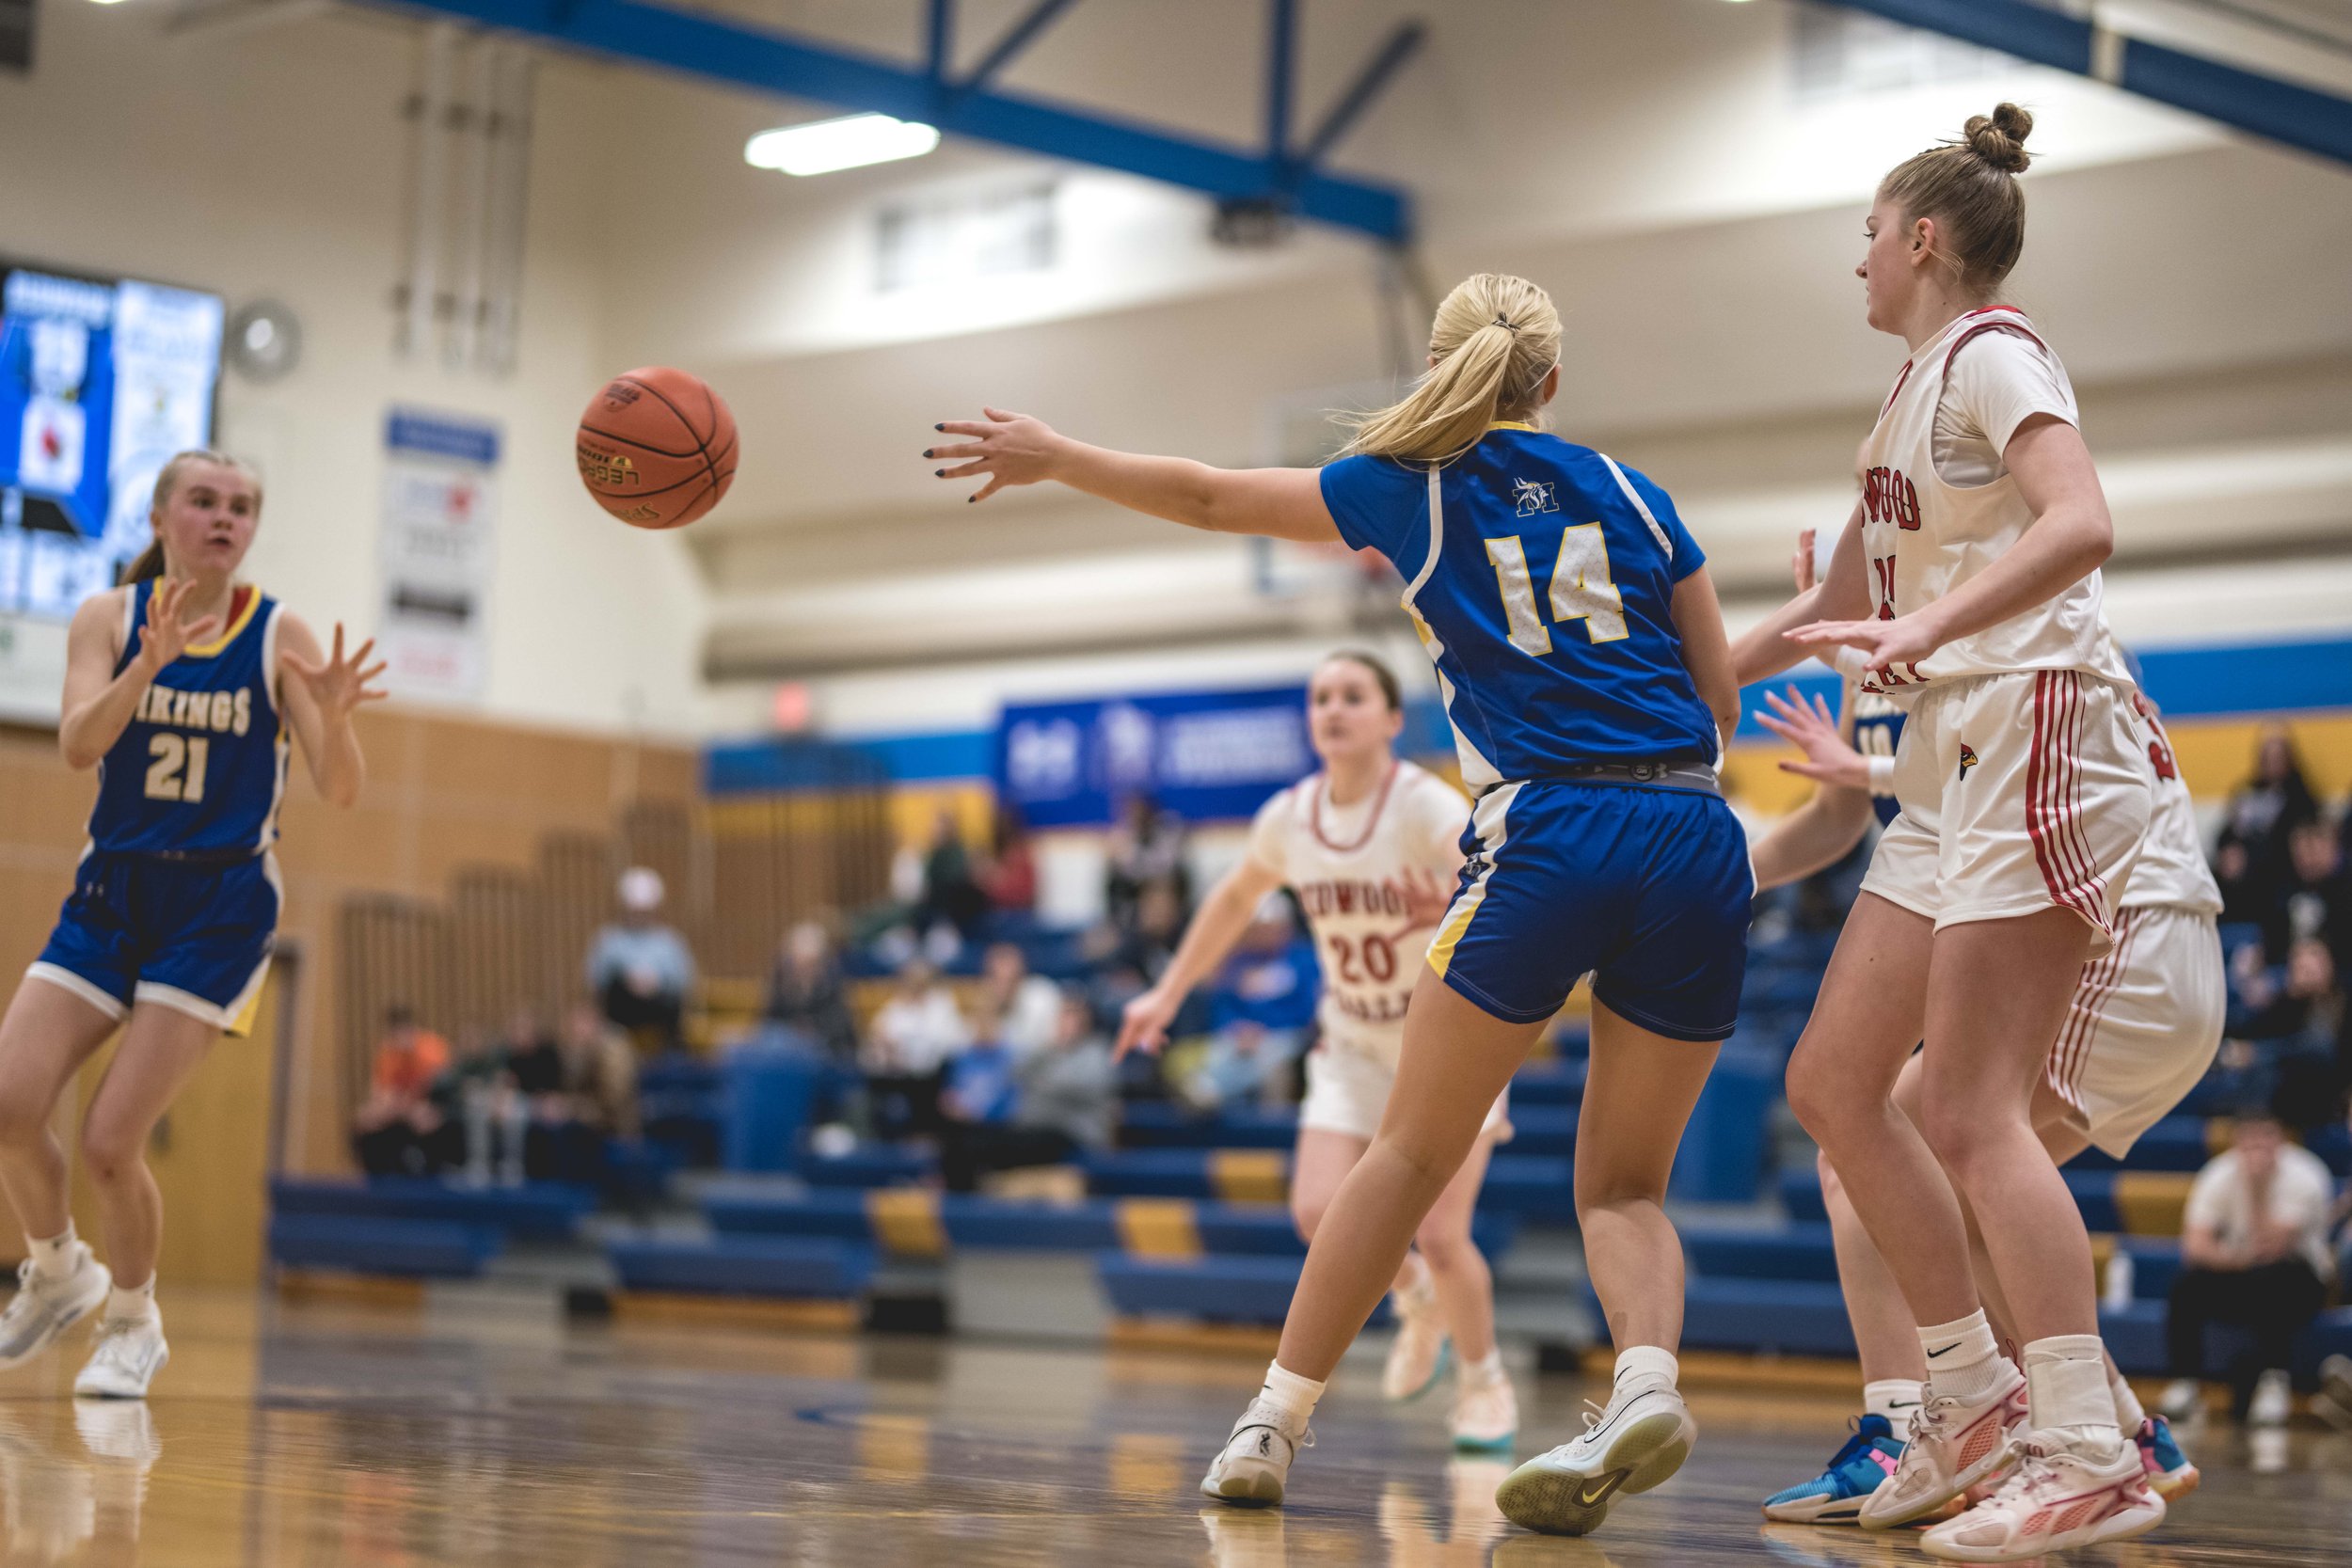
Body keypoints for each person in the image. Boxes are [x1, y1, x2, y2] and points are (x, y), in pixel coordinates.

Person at [930, 268, 1749, 1533]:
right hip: (1697, 829)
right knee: (1625, 1184)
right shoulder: (1639, 492)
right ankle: (1644, 1376)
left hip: (1555, 822)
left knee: (1408, 1154)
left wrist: (1058, 454)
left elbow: (1208, 495)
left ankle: (1274, 1419)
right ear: (1555, 381)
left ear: (1438, 370)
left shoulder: (1412, 487)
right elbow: (1719, 705)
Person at [1732, 105, 2169, 1558]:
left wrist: (1925, 621)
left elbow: (2082, 520)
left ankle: (2089, 1439)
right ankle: (1969, 1397)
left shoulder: (1994, 351)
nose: (1855, 256)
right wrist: (1665, 695)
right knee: (1835, 1082)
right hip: (1948, 753)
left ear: (1925, 238)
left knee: (1970, 1110)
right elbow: (1815, 609)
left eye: (1867, 229)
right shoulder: (1903, 402)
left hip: (2038, 715)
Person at [1743, 534, 2218, 1523]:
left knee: (1918, 1144)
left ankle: (1967, 1425)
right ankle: (2110, 1422)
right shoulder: (1959, 653)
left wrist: (1858, 733)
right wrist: (1857, 751)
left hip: (2124, 943)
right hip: (2133, 944)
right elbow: (1897, 784)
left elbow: (1989, 764)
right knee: (1885, 1162)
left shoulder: (2031, 643)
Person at [0, 449, 383, 1399]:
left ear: (252, 528)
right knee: (7, 1103)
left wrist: (333, 718)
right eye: (205, 502)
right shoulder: (107, 618)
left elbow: (341, 791)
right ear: (163, 517)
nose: (224, 519)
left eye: (242, 506)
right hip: (112, 892)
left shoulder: (274, 631)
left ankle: (133, 1320)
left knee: (107, 1140)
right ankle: (56, 1269)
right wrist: (146, 670)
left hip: (217, 906)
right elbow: (79, 746)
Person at [1120, 651, 1517, 1450]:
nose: (1333, 708)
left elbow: (1493, 867)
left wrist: (1447, 895)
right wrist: (1166, 992)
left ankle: (1483, 1383)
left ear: (1391, 718)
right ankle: (1413, 1301)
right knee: (1314, 1210)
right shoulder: (1289, 817)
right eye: (1320, 697)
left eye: (1352, 695)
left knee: (1441, 1235)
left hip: (1442, 1042)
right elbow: (1235, 897)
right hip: (1351, 1040)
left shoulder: (1420, 803)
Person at [2159, 1110, 2335, 1427]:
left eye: (2266, 1138)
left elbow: (2270, 1246)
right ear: (2237, 1142)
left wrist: (2256, 1189)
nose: (2258, 1149)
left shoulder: (2305, 1175)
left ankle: (2273, 1381)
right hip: (2243, 1271)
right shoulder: (2217, 1174)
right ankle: (2185, 1382)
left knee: (2274, 1277)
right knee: (2187, 1283)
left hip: (2301, 1282)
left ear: (2280, 1140)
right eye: (2250, 1140)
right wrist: (2234, 1261)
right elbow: (2194, 1247)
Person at [939, 990, 1117, 1193]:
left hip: (1069, 1133)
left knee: (981, 1148)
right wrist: (1049, 1050)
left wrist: (1038, 1078)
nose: (1066, 1021)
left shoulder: (1096, 1053)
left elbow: (1070, 1086)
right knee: (961, 1140)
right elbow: (1014, 1072)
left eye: (1073, 1014)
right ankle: (956, 1207)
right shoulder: (1048, 1049)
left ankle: (966, 1202)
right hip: (1031, 1128)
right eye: (1063, 1014)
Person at [586, 867, 696, 1054]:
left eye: (643, 912)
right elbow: (595, 981)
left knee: (673, 1005)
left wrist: (656, 983)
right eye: (634, 911)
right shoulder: (609, 940)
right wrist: (628, 981)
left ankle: (673, 1059)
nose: (638, 916)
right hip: (621, 1011)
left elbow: (684, 981)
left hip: (659, 1008)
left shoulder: (669, 942)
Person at [862, 958, 971, 1139]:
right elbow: (874, 1050)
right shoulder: (894, 1011)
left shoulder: (941, 1007)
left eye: (920, 981)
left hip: (935, 1082)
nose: (915, 986)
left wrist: (908, 1051)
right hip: (901, 1081)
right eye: (910, 981)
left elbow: (954, 1045)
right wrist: (887, 1052)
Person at [351, 1005, 456, 1179]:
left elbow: (438, 1090)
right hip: (403, 1110)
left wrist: (408, 1106)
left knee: (424, 1118)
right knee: (364, 1121)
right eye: (393, 1035)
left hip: (433, 1108)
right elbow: (381, 1093)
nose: (396, 1039)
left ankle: (432, 1174)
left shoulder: (431, 1049)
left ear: (410, 1030)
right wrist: (380, 1111)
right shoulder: (389, 1053)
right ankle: (376, 1180)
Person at [762, 920, 858, 1065]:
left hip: (826, 1055)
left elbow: (842, 1032)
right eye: (799, 963)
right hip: (786, 1053)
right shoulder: (781, 986)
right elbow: (768, 1022)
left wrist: (809, 1033)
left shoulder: (833, 987)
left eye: (810, 964)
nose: (804, 969)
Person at [977, 941, 1063, 1062]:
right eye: (995, 975)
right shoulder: (978, 997)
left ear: (1022, 971)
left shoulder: (1042, 994)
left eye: (1010, 977)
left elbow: (1054, 1043)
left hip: (1043, 1066)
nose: (1003, 982)